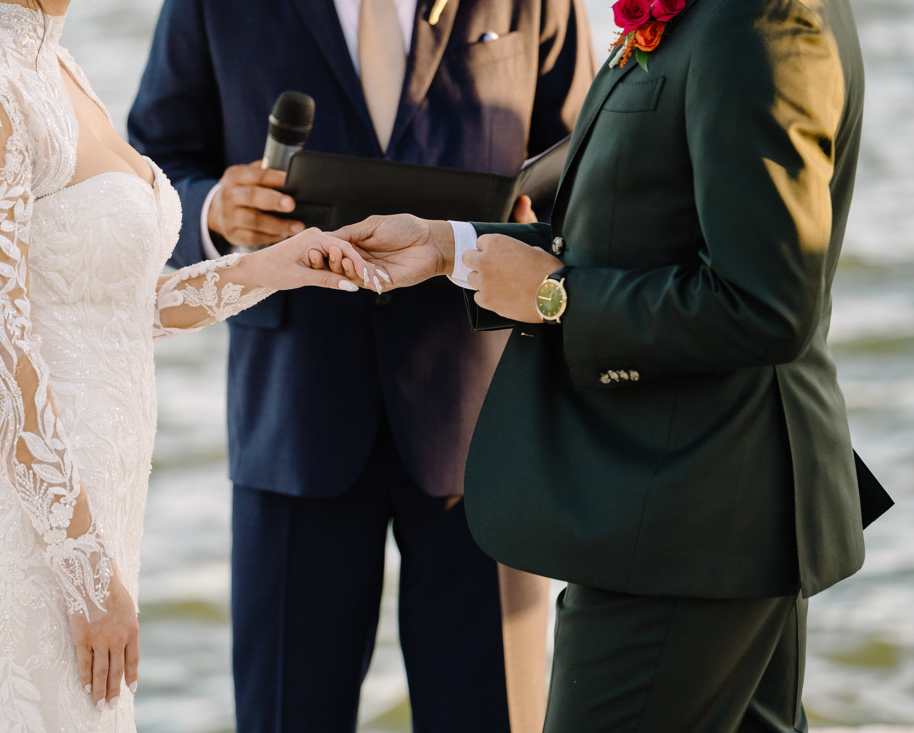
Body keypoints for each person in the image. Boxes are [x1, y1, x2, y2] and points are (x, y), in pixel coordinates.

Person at [332, 0, 889, 729]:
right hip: (701, 513)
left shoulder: (762, 23)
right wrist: (452, 247)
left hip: (694, 518)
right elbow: (634, 226)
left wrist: (554, 297)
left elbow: (765, 305)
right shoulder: (709, 18)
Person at [0, 1, 372, 730]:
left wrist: (272, 267)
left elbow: (111, 310)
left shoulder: (52, 65)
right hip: (24, 541)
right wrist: (84, 572)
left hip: (91, 520)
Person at [127, 1, 595, 730]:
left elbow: (591, 166)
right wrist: (217, 211)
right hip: (293, 417)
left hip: (484, 422)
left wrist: (535, 242)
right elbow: (149, 170)